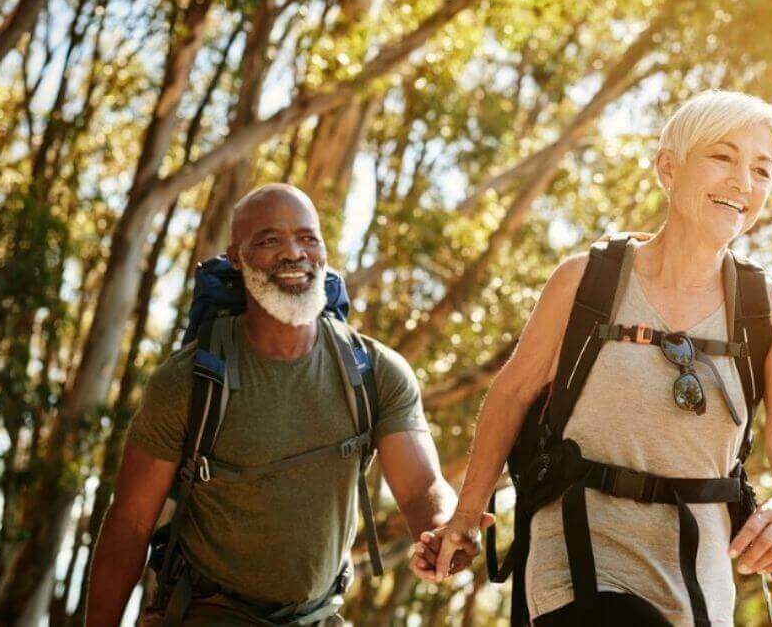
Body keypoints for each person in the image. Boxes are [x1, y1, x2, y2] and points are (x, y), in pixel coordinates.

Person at [412, 91, 772, 625]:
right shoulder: (586, 281)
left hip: (697, 583)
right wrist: (466, 517)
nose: (743, 183)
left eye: (762, 170)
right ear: (668, 168)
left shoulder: (768, 310)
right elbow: (512, 393)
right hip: (578, 560)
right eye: (722, 157)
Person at [86, 184, 486, 626]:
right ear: (236, 257)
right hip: (209, 613)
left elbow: (420, 486)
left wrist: (445, 527)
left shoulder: (375, 371)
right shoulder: (188, 382)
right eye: (269, 240)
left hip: (320, 616)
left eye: (308, 238)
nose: (293, 253)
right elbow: (130, 523)